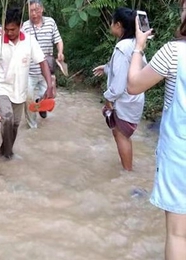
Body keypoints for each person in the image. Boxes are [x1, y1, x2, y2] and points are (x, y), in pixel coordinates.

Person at [127, 1, 186, 258]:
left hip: (180, 152)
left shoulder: (174, 52)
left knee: (178, 233)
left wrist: (139, 48)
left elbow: (133, 85)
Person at [0, 7, 53, 159]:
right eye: (7, 29)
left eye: (13, 29)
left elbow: (43, 63)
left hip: (20, 90)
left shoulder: (29, 41)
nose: (9, 33)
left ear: (20, 26)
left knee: (15, 125)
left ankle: (3, 151)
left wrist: (49, 85)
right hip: (2, 87)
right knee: (7, 118)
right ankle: (9, 155)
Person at [92, 7, 146, 171]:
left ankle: (128, 172)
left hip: (124, 100)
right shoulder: (135, 44)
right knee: (122, 134)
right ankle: (127, 167)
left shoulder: (122, 47)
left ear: (118, 25)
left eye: (112, 22)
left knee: (121, 135)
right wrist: (107, 68)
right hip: (134, 98)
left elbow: (119, 83)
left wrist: (108, 99)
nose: (111, 25)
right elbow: (135, 68)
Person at [22, 0, 63, 128]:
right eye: (31, 11)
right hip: (30, 71)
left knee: (50, 94)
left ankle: (41, 105)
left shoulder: (50, 22)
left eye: (37, 10)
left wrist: (60, 52)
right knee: (28, 98)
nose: (34, 14)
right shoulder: (25, 26)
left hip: (47, 70)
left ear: (42, 9)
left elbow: (58, 40)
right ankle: (32, 125)